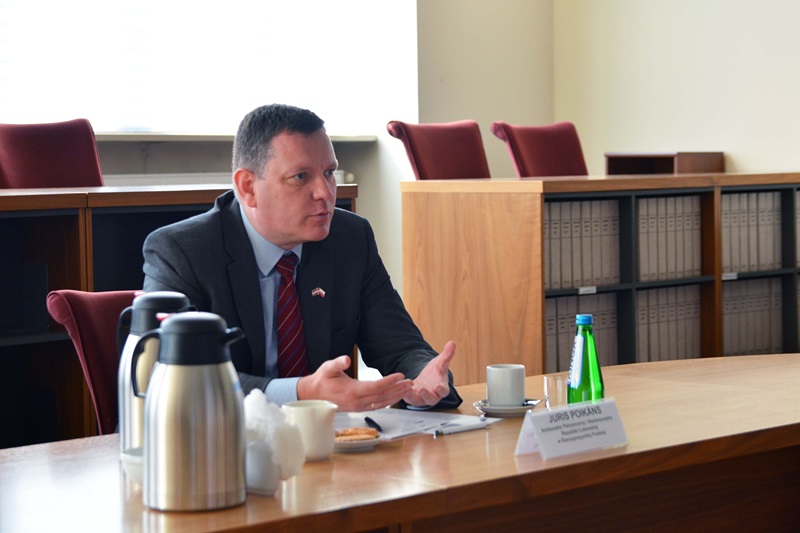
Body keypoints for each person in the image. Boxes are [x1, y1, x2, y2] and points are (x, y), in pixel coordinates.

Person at [142, 104, 461, 411]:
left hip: (326, 440)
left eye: (329, 172)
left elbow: (401, 346)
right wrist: (300, 393)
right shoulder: (181, 252)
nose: (325, 192)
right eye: (300, 177)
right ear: (248, 186)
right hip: (219, 440)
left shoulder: (350, 239)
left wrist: (423, 377)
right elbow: (177, 379)